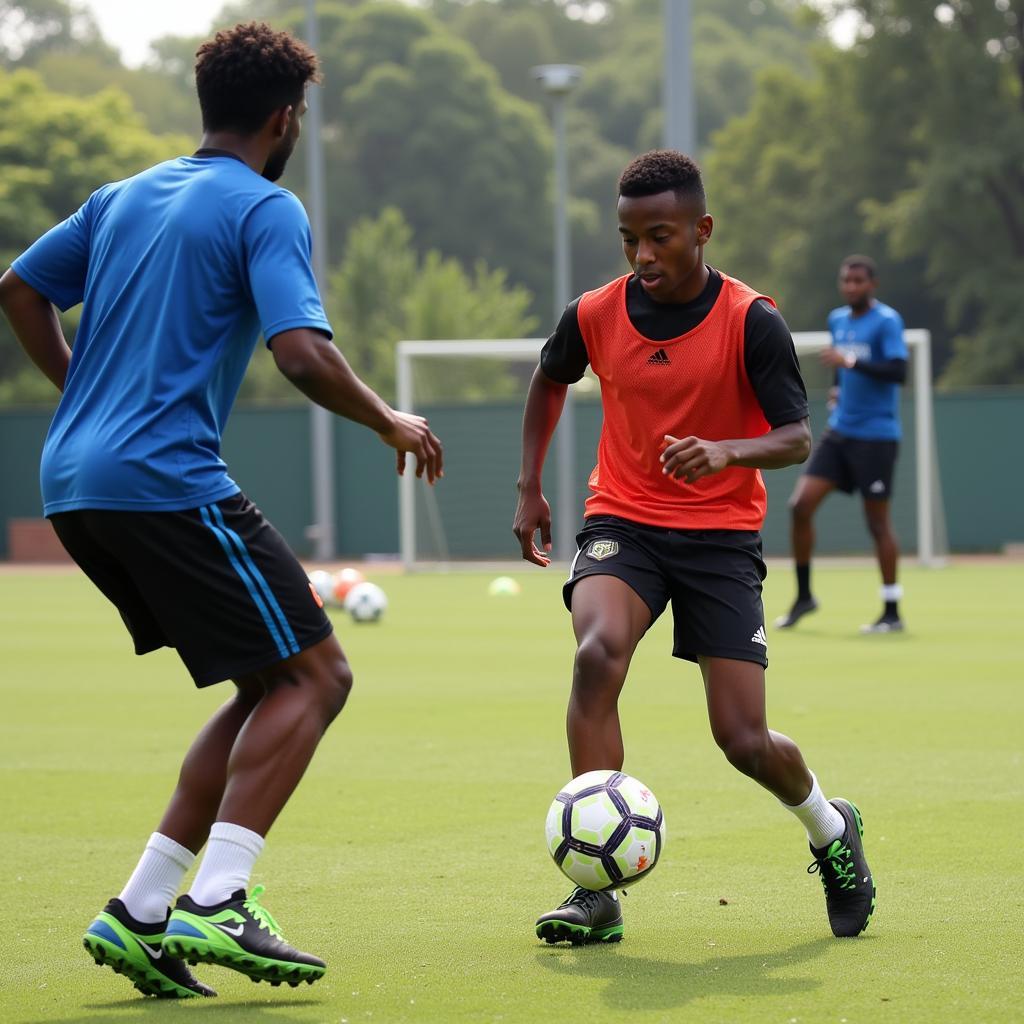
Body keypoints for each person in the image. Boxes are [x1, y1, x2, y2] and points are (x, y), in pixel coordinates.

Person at [0, 23, 442, 999]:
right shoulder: (264, 207)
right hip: (161, 479)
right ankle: (220, 896)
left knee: (262, 686)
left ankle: (142, 908)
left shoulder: (122, 198)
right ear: (285, 119)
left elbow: (19, 290)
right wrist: (389, 421)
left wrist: (83, 395)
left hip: (71, 480)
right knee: (321, 675)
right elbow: (300, 351)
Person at [513, 151, 873, 946]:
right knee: (596, 655)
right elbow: (548, 378)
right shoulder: (594, 312)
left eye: (661, 237)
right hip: (624, 522)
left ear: (701, 231)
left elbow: (796, 438)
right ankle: (595, 893)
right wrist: (529, 485)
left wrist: (725, 451)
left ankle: (829, 828)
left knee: (742, 740)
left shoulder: (752, 321)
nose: (643, 256)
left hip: (718, 537)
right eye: (629, 239)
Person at [776, 255, 907, 634]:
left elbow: (898, 371)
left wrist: (849, 363)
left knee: (877, 522)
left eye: (858, 281)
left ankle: (892, 609)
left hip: (876, 436)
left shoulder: (886, 322)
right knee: (800, 506)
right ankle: (804, 596)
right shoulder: (838, 319)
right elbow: (840, 365)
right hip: (841, 432)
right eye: (846, 281)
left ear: (873, 285)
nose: (851, 287)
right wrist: (838, 385)